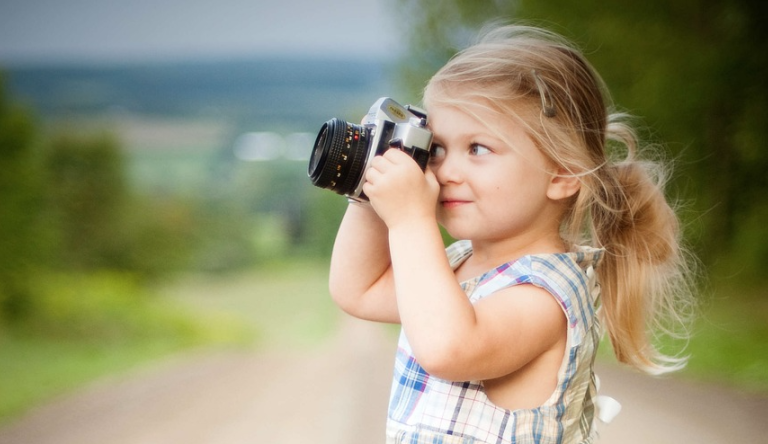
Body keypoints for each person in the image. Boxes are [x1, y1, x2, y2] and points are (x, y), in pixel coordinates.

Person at [328, 24, 696, 444]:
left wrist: (411, 220)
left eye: (478, 149)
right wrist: (371, 189)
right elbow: (357, 289)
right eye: (439, 148)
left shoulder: (547, 294)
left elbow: (449, 348)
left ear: (562, 173)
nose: (445, 171)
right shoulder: (456, 263)